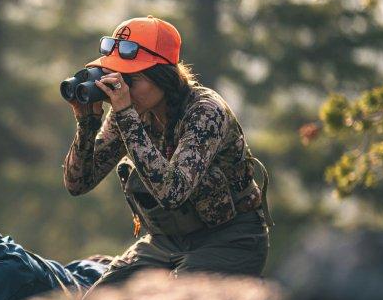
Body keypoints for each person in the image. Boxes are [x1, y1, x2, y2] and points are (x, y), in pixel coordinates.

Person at [63, 16, 272, 285]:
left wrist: (126, 115)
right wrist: (87, 123)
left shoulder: (205, 112)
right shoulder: (129, 111)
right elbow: (78, 184)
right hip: (165, 241)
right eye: (116, 76)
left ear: (163, 77)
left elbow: (172, 193)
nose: (122, 89)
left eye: (131, 79)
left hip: (229, 238)